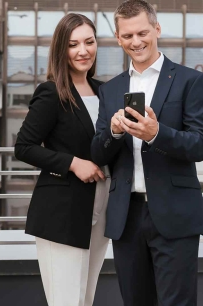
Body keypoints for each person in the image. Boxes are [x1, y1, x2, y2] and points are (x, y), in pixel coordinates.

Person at [91, 1, 203, 305]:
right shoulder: (110, 89)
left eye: (142, 32)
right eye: (127, 36)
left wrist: (157, 134)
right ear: (117, 37)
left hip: (174, 214)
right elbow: (98, 152)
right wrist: (114, 132)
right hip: (126, 217)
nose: (136, 42)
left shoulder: (190, 81)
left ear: (157, 29)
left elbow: (199, 144)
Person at [14, 13, 110, 306]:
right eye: (73, 44)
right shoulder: (52, 92)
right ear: (61, 50)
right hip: (62, 212)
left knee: (85, 299)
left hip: (102, 209)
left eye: (89, 42)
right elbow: (24, 146)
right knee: (66, 301)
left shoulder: (105, 91)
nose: (83, 51)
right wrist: (72, 163)